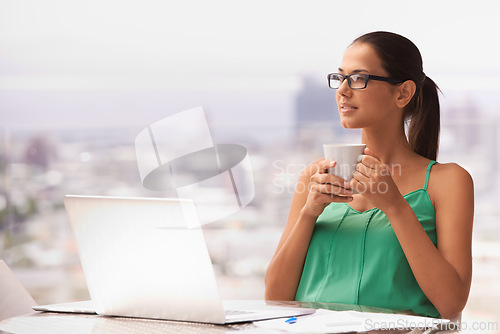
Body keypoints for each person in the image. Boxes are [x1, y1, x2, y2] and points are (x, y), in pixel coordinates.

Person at [264, 31, 474, 320]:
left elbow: (451, 303)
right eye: (340, 78)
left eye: (359, 78)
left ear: (403, 93)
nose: (342, 91)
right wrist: (309, 213)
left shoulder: (448, 181)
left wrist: (394, 205)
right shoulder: (315, 177)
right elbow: (275, 298)